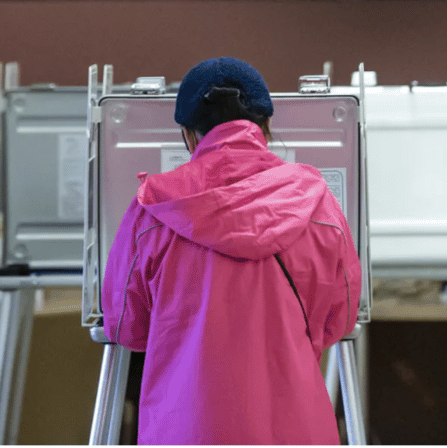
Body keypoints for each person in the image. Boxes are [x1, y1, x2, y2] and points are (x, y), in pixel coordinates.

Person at [102, 57, 361, 444]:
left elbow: (126, 327)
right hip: (295, 429)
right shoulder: (319, 205)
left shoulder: (151, 211)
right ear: (267, 129)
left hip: (185, 430)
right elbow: (337, 322)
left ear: (188, 136)